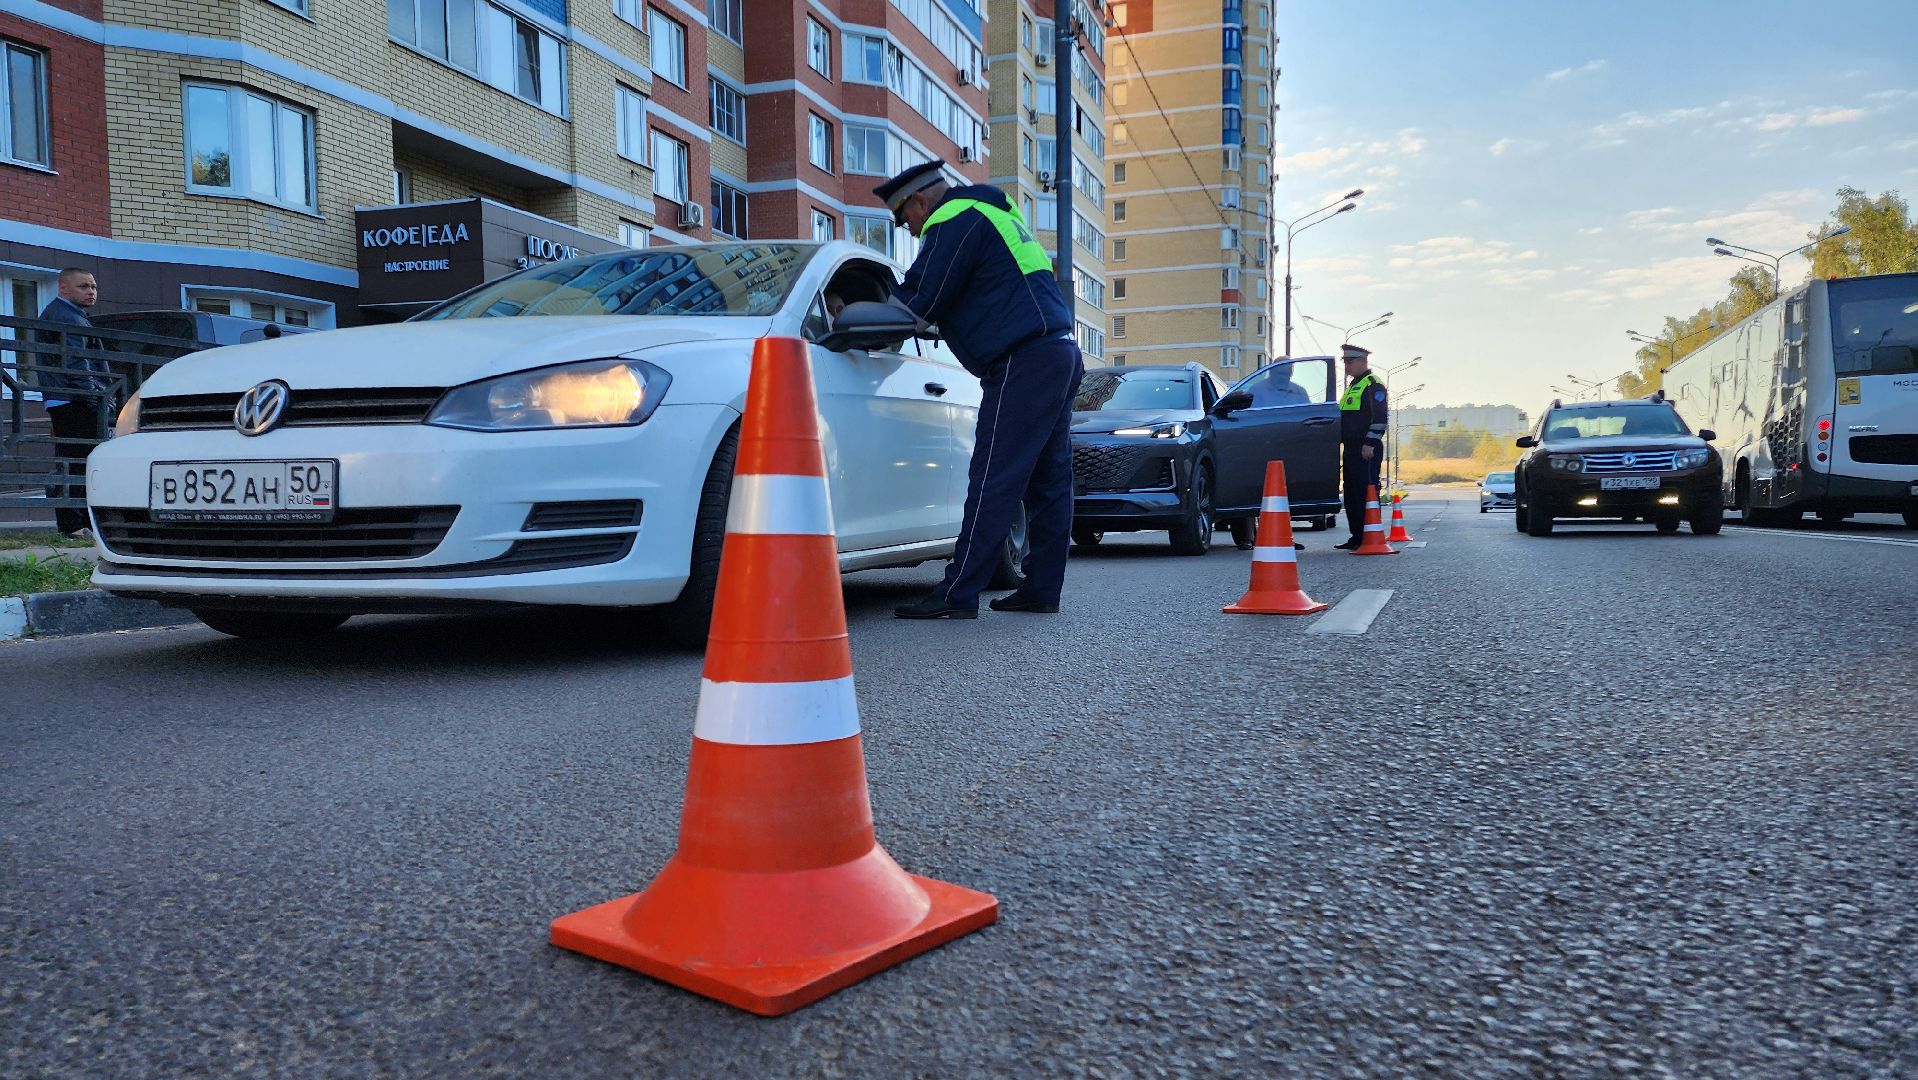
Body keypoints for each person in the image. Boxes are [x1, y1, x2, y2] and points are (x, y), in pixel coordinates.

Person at [872, 159, 1084, 619]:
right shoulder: (994, 213)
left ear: (920, 201)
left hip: (1023, 360)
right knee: (1049, 481)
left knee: (993, 475)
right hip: (1058, 352)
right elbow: (973, 296)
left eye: (905, 219)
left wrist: (853, 320)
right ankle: (1042, 589)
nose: (910, 230)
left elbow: (919, 299)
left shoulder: (953, 218)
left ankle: (957, 593)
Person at [36, 268, 109, 537]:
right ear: (63, 288)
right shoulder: (67, 316)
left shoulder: (68, 314)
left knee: (76, 460)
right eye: (83, 286)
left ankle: (81, 522)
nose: (91, 292)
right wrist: (95, 398)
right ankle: (74, 524)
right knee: (78, 461)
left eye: (93, 286)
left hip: (67, 398)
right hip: (73, 399)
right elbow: (77, 363)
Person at [1333, 343, 1388, 550]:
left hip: (1366, 449)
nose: (1347, 366)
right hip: (1351, 449)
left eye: (1350, 361)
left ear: (1363, 361)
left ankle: (1369, 536)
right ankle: (1357, 537)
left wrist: (1370, 443)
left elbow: (1380, 418)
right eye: (1345, 362)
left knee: (1366, 492)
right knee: (1351, 493)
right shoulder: (1353, 386)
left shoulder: (1373, 384)